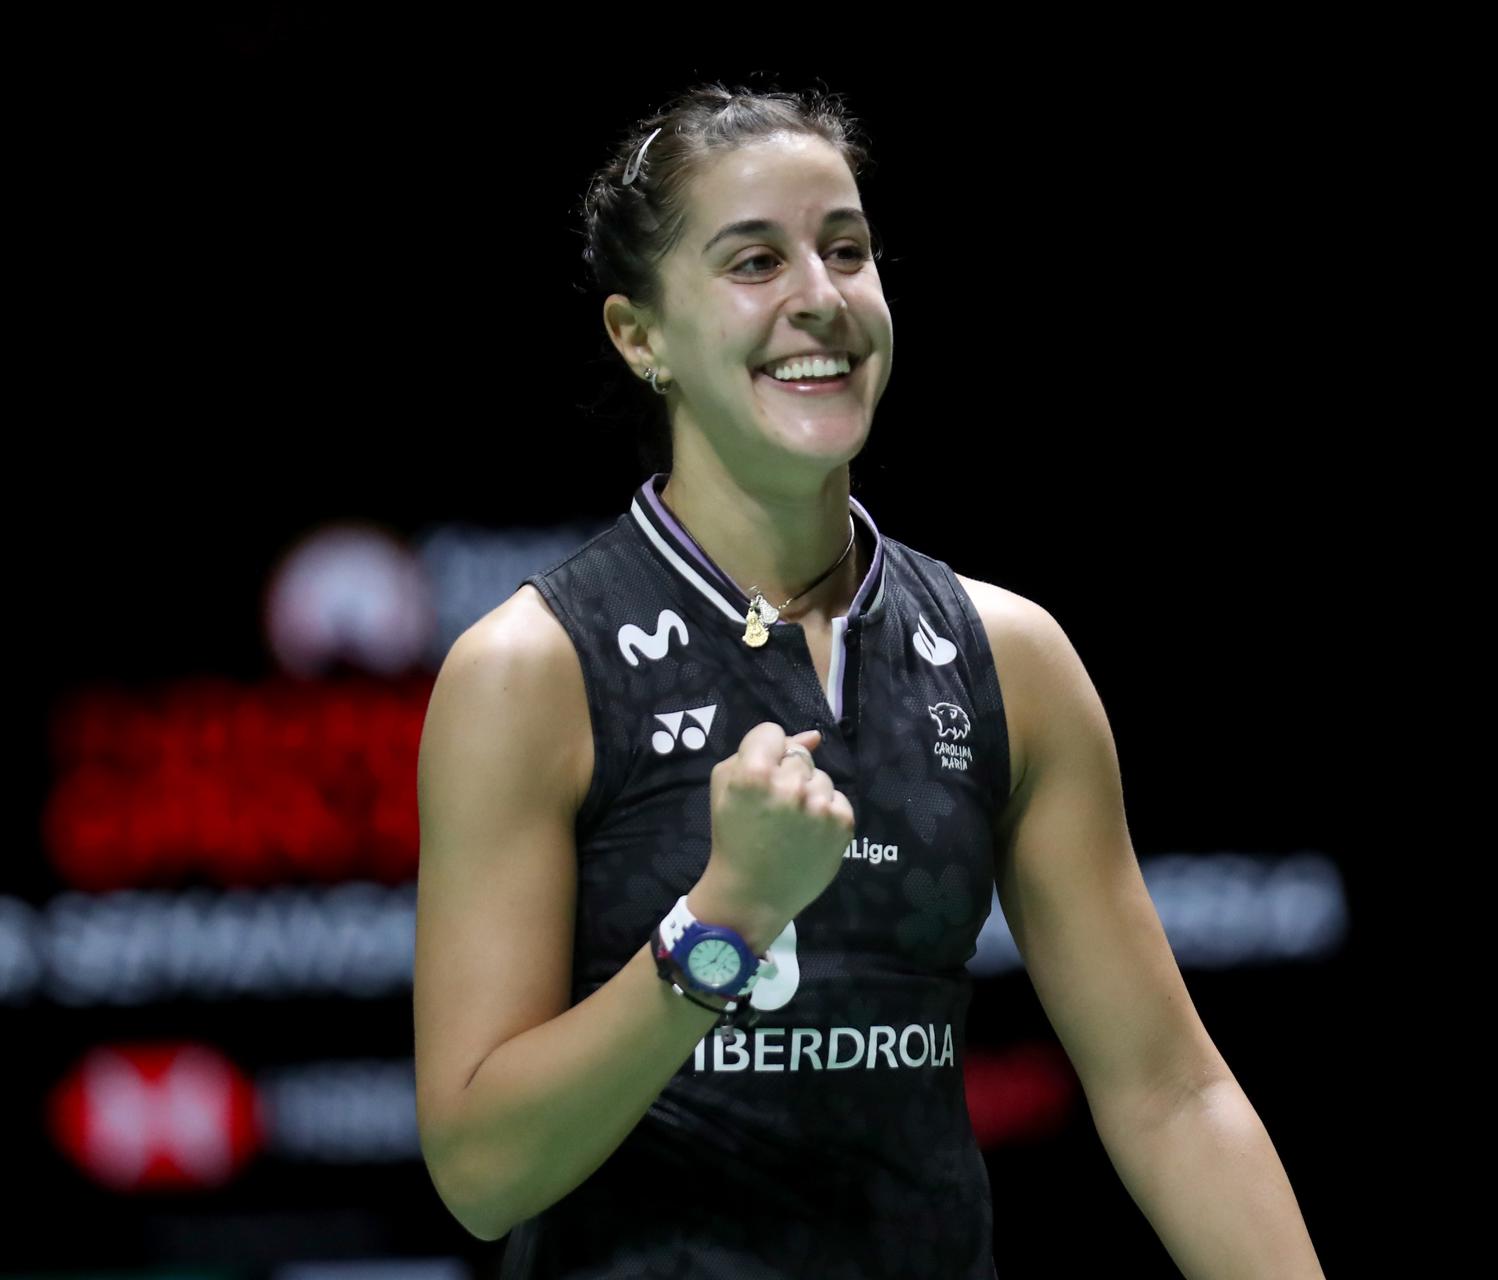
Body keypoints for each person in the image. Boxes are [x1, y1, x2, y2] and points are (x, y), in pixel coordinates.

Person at [412, 82, 1324, 1279]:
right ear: (642, 339)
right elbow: (483, 1172)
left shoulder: (1009, 656)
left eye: (846, 250)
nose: (822, 298)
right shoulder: (533, 670)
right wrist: (725, 921)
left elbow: (1171, 1093)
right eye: (755, 261)